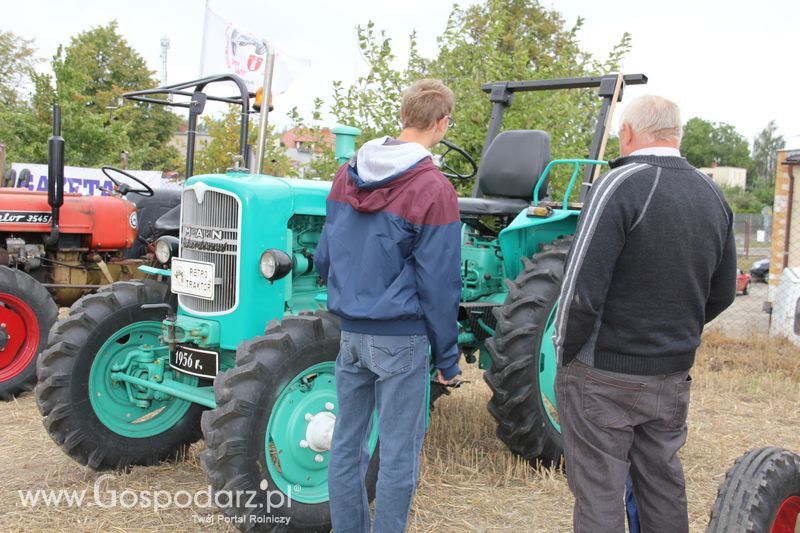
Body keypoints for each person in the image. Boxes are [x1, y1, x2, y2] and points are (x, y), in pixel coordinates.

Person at [553, 94, 736, 533]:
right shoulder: (713, 194)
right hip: (671, 375)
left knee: (599, 495)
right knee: (662, 488)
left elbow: (579, 289)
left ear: (629, 133)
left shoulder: (619, 184)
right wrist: (675, 337)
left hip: (603, 374)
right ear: (676, 134)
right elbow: (723, 293)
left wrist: (566, 355)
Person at [314, 78, 462, 533]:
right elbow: (439, 284)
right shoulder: (434, 188)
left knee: (346, 444)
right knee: (398, 453)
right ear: (441, 124)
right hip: (401, 337)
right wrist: (448, 357)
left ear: (403, 116)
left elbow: (325, 255)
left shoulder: (347, 171)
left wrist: (349, 296)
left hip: (352, 333)